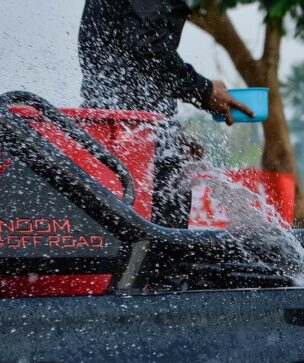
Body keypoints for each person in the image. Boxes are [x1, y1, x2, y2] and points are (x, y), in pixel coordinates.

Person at [79, 0, 253, 228]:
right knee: (158, 240)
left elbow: (135, 56)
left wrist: (170, 134)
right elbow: (144, 41)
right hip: (126, 133)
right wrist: (204, 91)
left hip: (120, 130)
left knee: (151, 235)